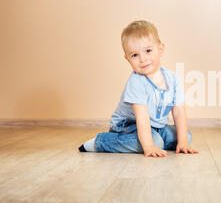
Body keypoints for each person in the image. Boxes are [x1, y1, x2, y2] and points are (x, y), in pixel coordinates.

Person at [78, 20, 198, 157]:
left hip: (156, 127)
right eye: (135, 55)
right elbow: (142, 117)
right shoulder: (137, 81)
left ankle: (156, 140)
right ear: (127, 59)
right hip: (127, 126)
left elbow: (178, 112)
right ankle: (101, 142)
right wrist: (149, 147)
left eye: (148, 51)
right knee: (155, 142)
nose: (142, 59)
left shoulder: (173, 79)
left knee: (186, 136)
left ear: (161, 49)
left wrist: (182, 142)